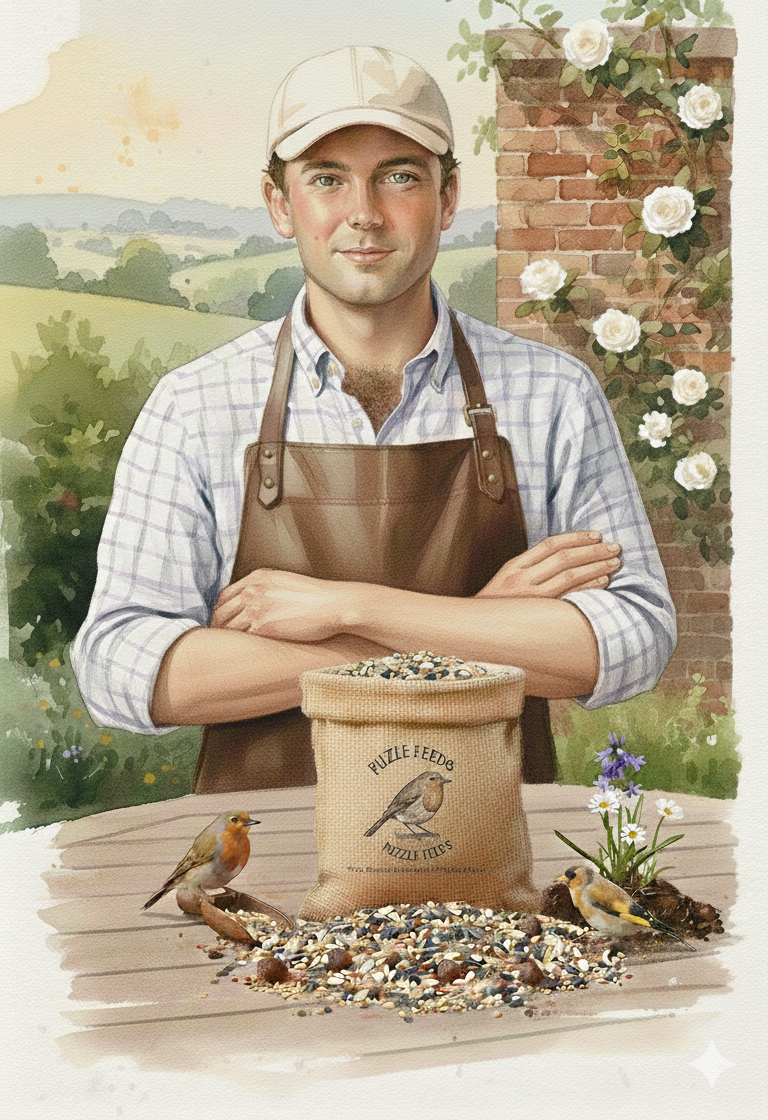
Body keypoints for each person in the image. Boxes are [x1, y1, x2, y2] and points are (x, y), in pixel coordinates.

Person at [71, 44, 676, 791]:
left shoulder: (554, 396)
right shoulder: (194, 408)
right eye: (327, 179)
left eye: (399, 177)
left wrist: (345, 608)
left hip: (486, 864)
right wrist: (472, 627)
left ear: (448, 198)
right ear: (277, 202)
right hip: (259, 864)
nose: (363, 214)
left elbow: (632, 641)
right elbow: (122, 668)